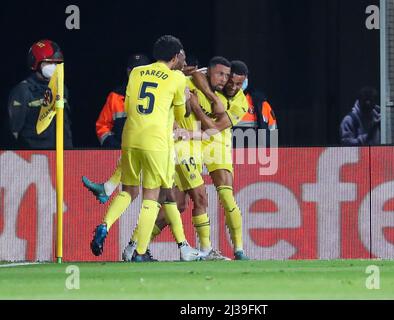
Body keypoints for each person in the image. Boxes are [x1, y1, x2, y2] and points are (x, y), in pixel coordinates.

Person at [90, 35, 199, 262]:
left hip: (130, 138)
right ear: (176, 56)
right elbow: (182, 116)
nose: (184, 60)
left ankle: (104, 225)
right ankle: (139, 251)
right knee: (153, 196)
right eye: (183, 56)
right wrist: (186, 98)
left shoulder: (137, 72)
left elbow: (129, 106)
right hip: (156, 142)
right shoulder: (177, 78)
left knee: (128, 190)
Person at [189, 60, 251, 260]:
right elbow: (196, 73)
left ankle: (239, 249)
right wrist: (211, 96)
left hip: (217, 143)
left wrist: (198, 108)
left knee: (226, 196)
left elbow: (214, 129)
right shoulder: (214, 81)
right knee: (182, 200)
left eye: (238, 84)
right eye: (230, 81)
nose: (232, 87)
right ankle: (206, 249)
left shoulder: (241, 103)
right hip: (194, 142)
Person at [8, 39, 73, 149]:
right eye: (49, 62)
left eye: (56, 63)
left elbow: (66, 124)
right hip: (35, 157)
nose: (54, 66)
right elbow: (14, 132)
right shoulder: (23, 91)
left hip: (63, 154)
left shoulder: (61, 88)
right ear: (35, 63)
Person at [96, 54, 150, 148]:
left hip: (149, 151)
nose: (139, 74)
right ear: (128, 71)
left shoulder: (159, 95)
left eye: (142, 71)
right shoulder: (115, 96)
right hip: (120, 155)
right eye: (134, 71)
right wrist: (115, 147)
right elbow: (102, 126)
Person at [234, 82, 278, 147]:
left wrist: (270, 153)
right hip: (230, 153)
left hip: (258, 154)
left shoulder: (261, 103)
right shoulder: (222, 103)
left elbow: (273, 133)